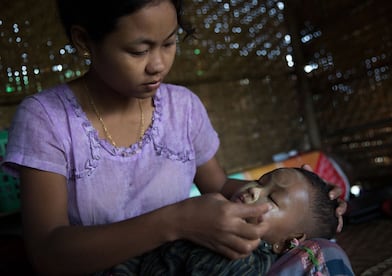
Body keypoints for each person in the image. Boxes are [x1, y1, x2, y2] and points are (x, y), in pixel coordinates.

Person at [0, 0, 347, 275]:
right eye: (139, 50)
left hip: (187, 263)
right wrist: (177, 221)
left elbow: (219, 185)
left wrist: (309, 209)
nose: (159, 65)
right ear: (84, 40)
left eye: (170, 43)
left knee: (321, 255)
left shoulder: (183, 108)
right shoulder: (46, 118)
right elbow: (48, 254)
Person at [98, 167, 351, 275]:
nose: (253, 191)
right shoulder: (216, 225)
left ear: (287, 243)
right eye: (261, 182)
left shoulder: (243, 258)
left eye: (272, 199)